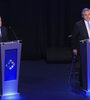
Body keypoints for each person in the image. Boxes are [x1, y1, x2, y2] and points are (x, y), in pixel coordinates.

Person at [72, 8, 90, 88]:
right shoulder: (78, 24)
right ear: (82, 16)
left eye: (89, 14)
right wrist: (74, 48)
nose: (88, 16)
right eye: (85, 15)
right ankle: (83, 83)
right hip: (83, 48)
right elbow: (74, 37)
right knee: (84, 65)